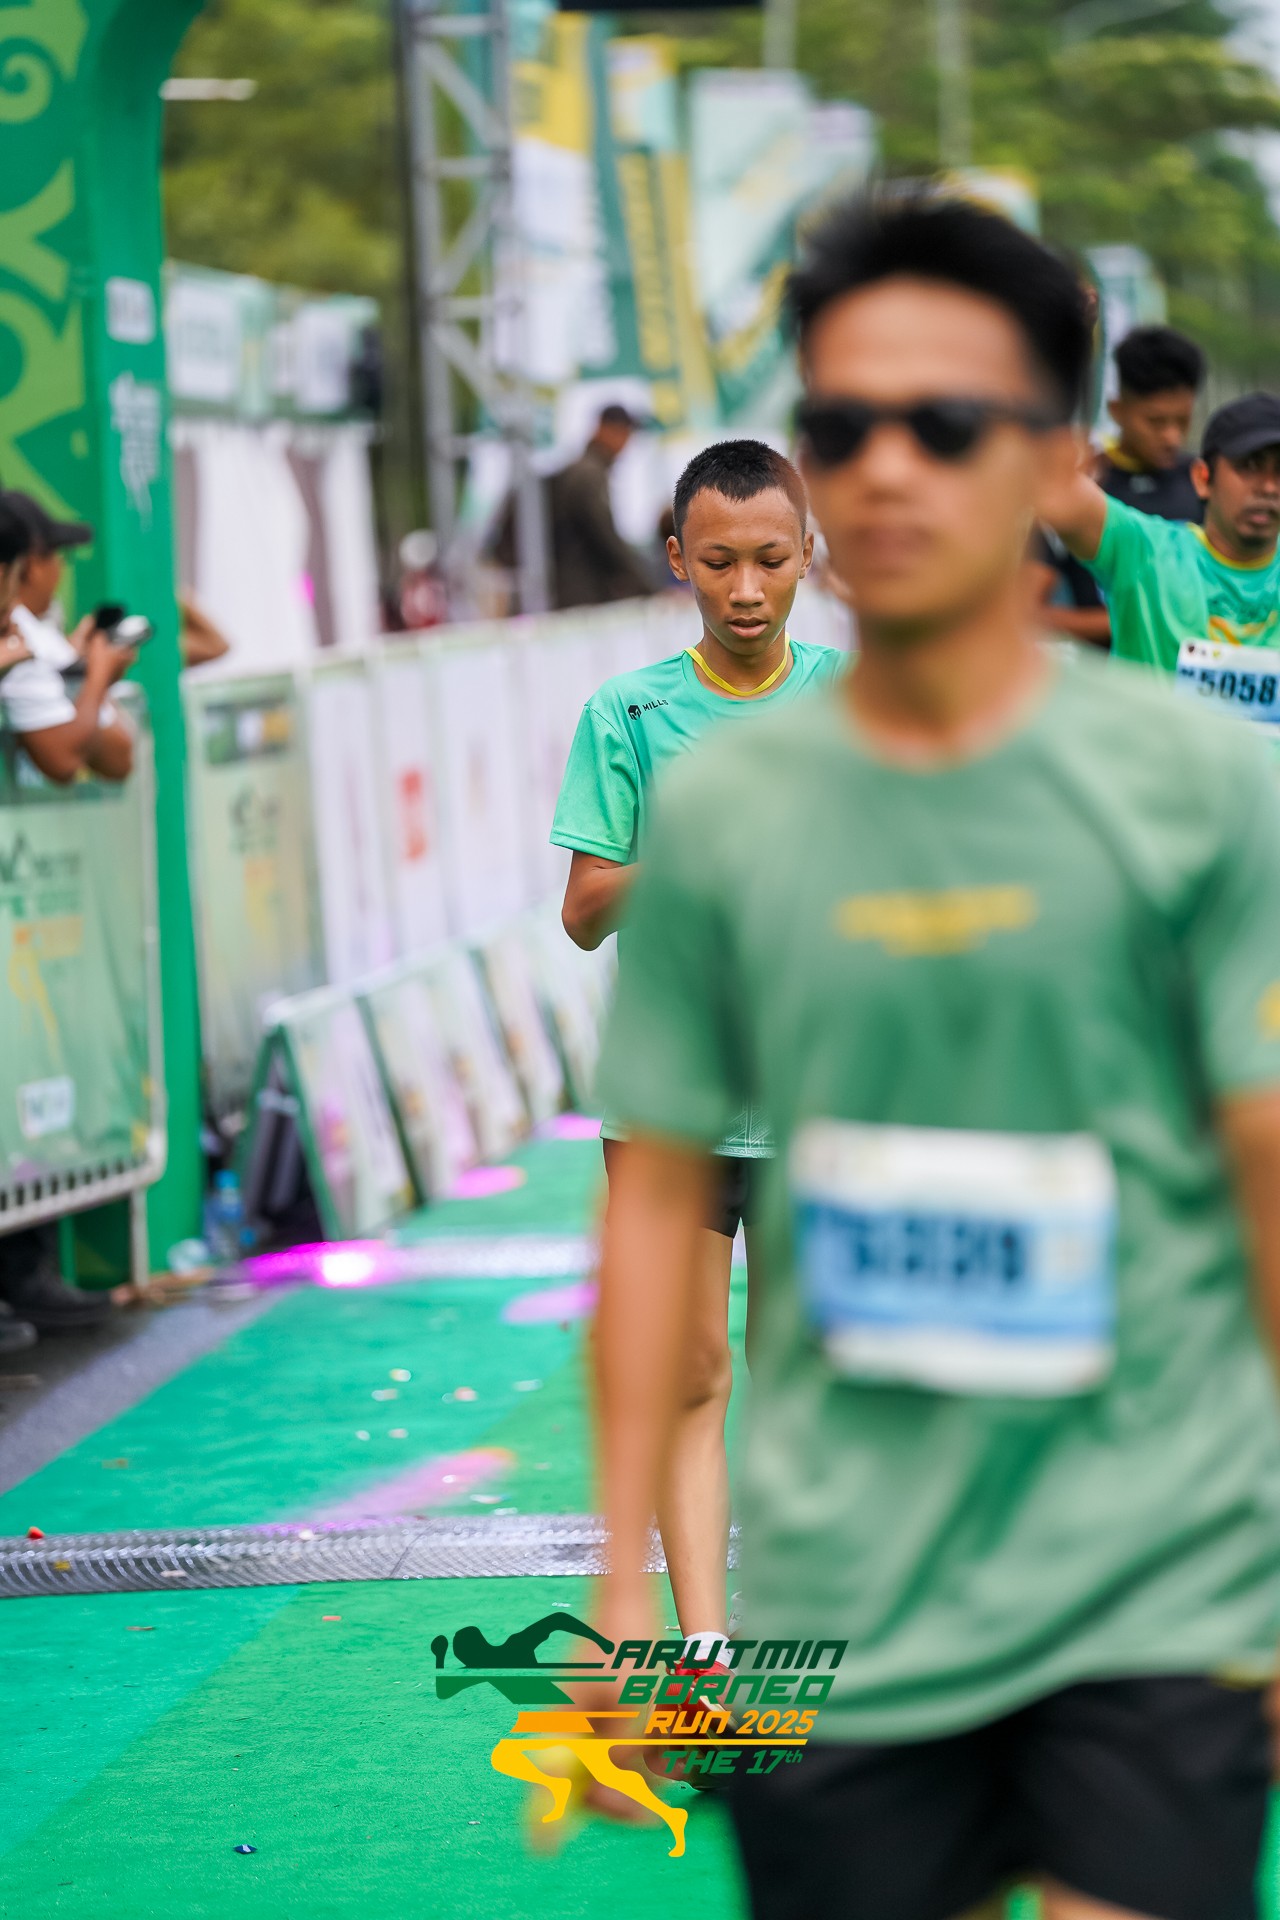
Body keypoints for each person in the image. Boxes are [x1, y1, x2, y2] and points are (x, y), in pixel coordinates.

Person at [591, 190, 1280, 1918]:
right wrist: (615, 1597)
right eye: (845, 428)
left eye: (948, 424)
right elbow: (649, 1207)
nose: (889, 470)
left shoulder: (1201, 794)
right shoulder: (722, 807)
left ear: (1051, 461)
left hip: (1153, 1578)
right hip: (850, 1609)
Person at [552, 439, 842, 1679]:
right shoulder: (626, 713)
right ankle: (709, 1648)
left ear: (807, 556)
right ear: (676, 559)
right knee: (691, 1372)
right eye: (718, 561)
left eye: (769, 559)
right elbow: (583, 911)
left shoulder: (856, 702)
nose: (745, 589)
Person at [1047, 389, 1280, 671]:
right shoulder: (1145, 554)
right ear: (1202, 478)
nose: (1269, 487)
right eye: (1250, 466)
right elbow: (1052, 485)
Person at [0, 492, 136, 785]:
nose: (60, 569)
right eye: (60, 556)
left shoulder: (26, 636)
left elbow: (121, 753)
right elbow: (63, 760)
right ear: (29, 565)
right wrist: (98, 675)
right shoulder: (21, 637)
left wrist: (80, 671)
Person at [546, 405, 656, 610]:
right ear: (601, 429)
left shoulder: (584, 469)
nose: (625, 442)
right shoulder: (588, 474)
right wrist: (649, 588)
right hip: (578, 594)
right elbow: (605, 538)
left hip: (574, 591)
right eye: (620, 432)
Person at [1096, 323, 1205, 524]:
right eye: (1156, 422)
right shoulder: (1090, 484)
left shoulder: (1203, 482)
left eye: (1183, 421)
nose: (1172, 438)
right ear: (1117, 411)